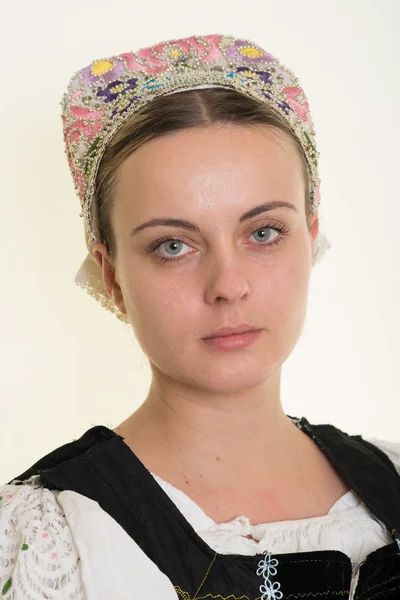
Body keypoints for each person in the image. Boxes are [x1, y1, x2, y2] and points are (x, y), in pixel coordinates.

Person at [1, 33, 399, 600]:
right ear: (111, 275)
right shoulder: (48, 539)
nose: (228, 286)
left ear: (310, 241)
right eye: (172, 245)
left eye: (263, 233)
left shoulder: (393, 477)